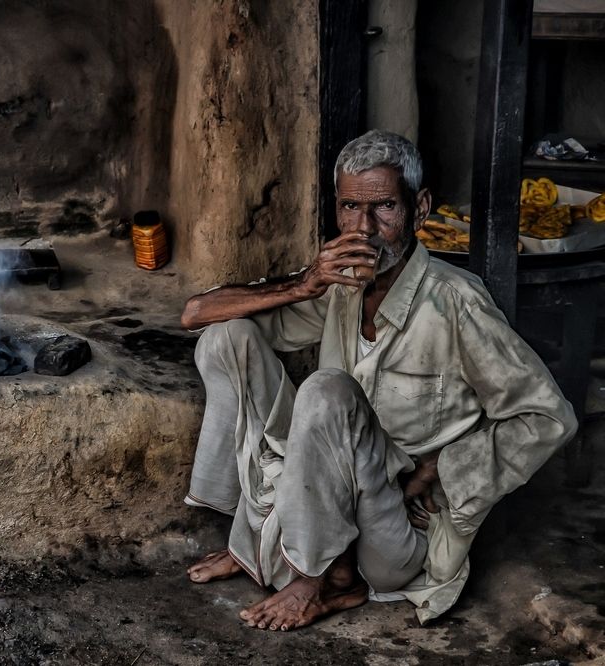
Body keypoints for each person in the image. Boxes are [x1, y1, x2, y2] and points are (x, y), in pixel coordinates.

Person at [180, 129, 578, 631]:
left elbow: (548, 418)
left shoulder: (457, 303)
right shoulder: (341, 286)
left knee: (325, 390)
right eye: (349, 208)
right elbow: (198, 314)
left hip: (395, 534)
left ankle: (321, 578)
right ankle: (254, 537)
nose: (363, 228)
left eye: (384, 207)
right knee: (226, 340)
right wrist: (306, 283)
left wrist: (441, 467)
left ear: (420, 208)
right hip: (332, 503)